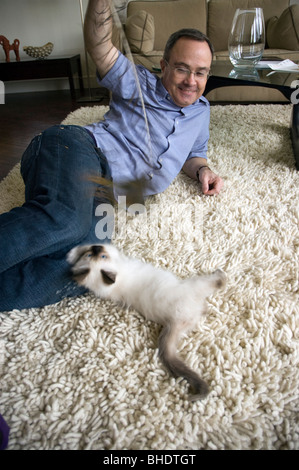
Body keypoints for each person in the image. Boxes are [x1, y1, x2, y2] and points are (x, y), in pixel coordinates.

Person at [0, 0, 223, 311]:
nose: (191, 81)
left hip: (104, 195)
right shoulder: (140, 82)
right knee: (65, 221)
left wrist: (203, 171)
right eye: (183, 68)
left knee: (88, 270)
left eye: (200, 73)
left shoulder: (201, 111)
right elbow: (100, 45)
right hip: (77, 149)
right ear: (164, 65)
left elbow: (194, 153)